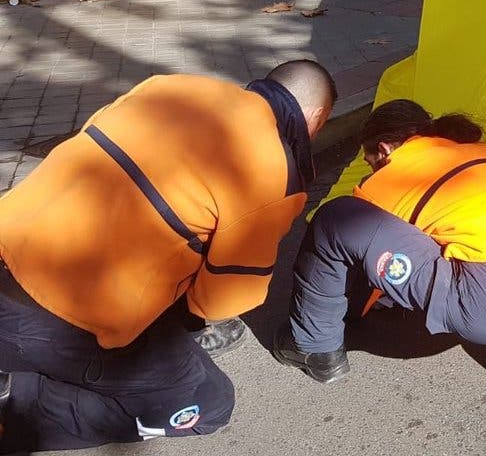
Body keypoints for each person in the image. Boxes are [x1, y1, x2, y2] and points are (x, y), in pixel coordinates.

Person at [0, 60, 337, 452]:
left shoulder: (167, 86)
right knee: (209, 404)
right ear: (314, 118)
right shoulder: (271, 169)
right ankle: (16, 402)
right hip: (52, 319)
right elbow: (223, 300)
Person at [272, 100, 486, 427]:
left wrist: (355, 317)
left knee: (337, 217)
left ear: (385, 149)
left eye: (370, 159)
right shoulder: (485, 153)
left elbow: (363, 260)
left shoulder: (391, 177)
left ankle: (314, 348)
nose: (370, 167)